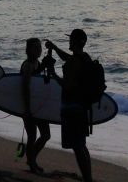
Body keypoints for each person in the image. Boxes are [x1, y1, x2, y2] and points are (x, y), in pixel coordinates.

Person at [45, 29, 94, 182]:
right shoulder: (85, 58)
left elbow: (67, 86)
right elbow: (67, 58)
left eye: (71, 39)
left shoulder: (75, 61)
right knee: (82, 145)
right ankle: (88, 178)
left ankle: (87, 179)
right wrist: (54, 47)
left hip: (71, 108)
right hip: (82, 107)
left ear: (76, 42)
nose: (69, 42)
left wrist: (53, 75)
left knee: (77, 146)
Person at [20, 38, 52, 173]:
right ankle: (32, 163)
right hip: (29, 106)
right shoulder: (27, 65)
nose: (38, 50)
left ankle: (31, 159)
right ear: (28, 50)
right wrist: (27, 109)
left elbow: (40, 83)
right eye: (35, 47)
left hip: (38, 105)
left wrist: (47, 67)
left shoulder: (37, 63)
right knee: (32, 136)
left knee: (45, 135)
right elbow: (26, 86)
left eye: (40, 47)